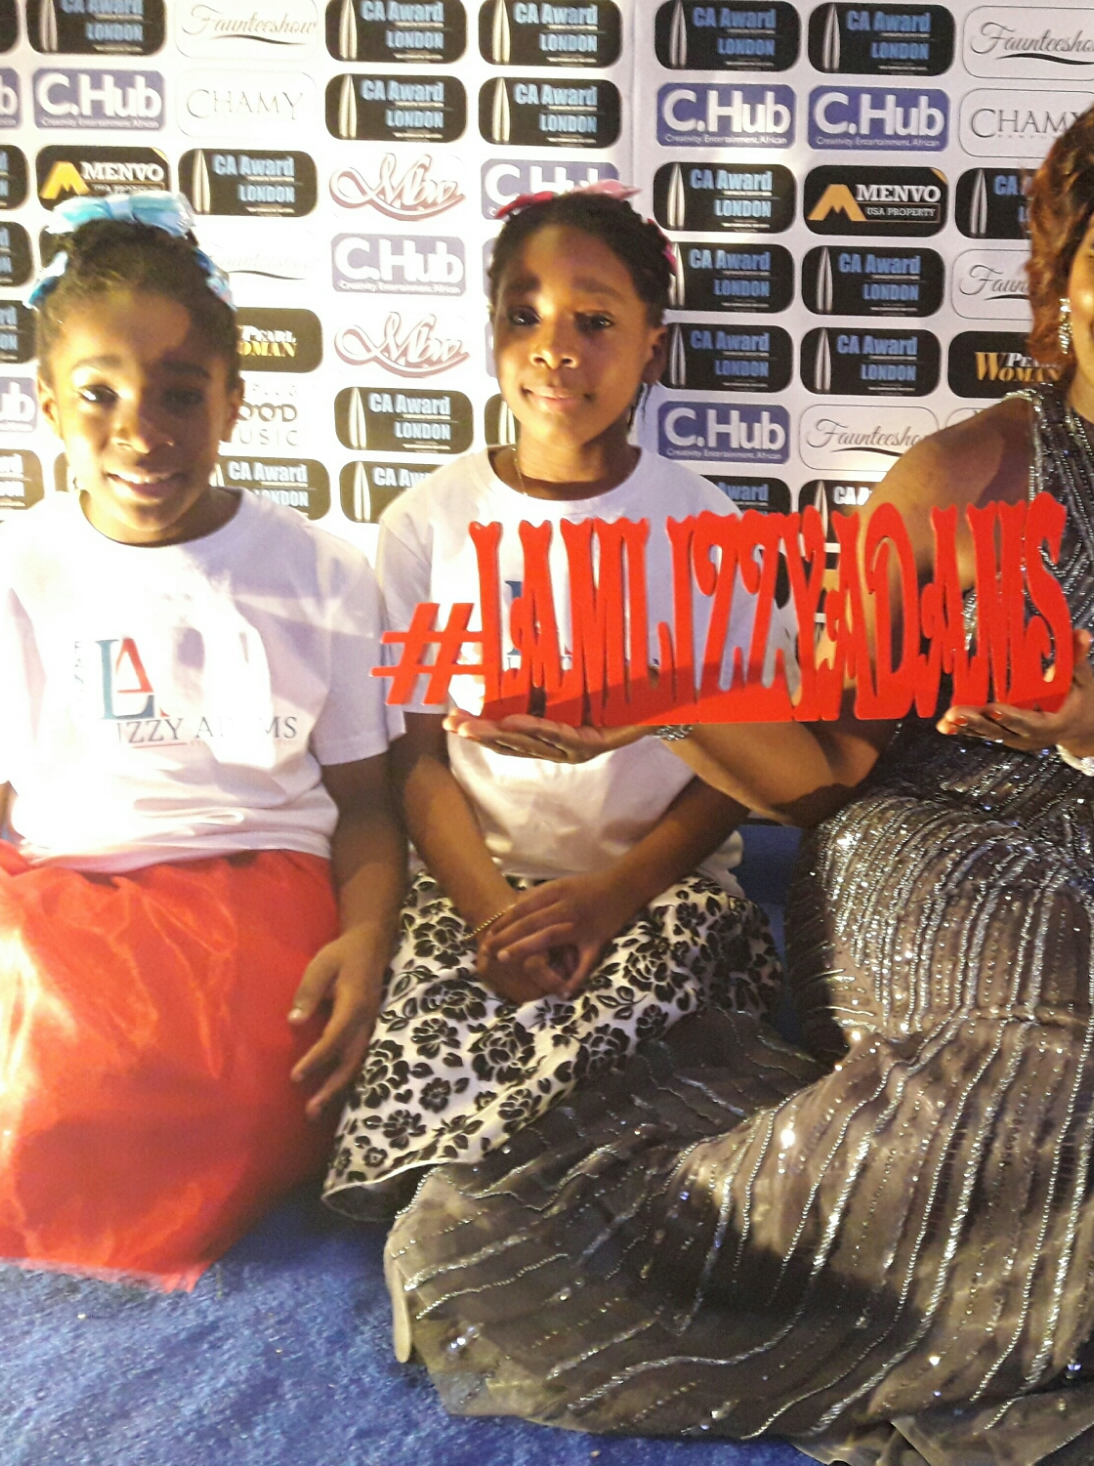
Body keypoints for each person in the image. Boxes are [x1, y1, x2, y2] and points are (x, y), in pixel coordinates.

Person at [385, 68, 1094, 1462]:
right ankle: (677, 1247)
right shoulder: (958, 476)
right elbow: (827, 772)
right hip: (920, 865)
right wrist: (658, 697)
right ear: (1061, 267)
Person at [0, 194, 404, 1288]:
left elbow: (368, 806)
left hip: (255, 903)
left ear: (233, 402)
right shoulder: (2, 575)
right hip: (60, 900)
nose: (142, 433)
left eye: (181, 393)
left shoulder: (321, 573)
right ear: (49, 402)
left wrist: (367, 938)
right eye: (100, 394)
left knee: (131, 1092)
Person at [322, 187, 780, 1219]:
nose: (554, 348)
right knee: (413, 1068)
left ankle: (553, 1193)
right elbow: (416, 758)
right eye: (522, 315)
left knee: (648, 1043)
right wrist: (492, 912)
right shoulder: (428, 525)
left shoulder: (703, 527)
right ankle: (497, 1194)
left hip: (660, 893)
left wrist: (613, 895)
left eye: (595, 319)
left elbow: (743, 768)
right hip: (473, 892)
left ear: (653, 345)